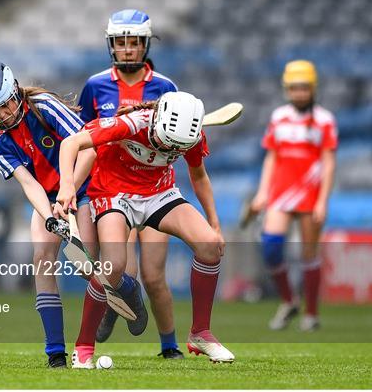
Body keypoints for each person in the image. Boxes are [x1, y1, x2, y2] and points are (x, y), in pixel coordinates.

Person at [56, 91, 235, 367]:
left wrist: (215, 223)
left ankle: (200, 333)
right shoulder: (131, 124)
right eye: (166, 143)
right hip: (115, 192)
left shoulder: (193, 135)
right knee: (113, 266)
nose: (169, 150)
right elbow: (71, 143)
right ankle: (83, 347)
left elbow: (198, 175)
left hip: (159, 193)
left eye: (175, 148)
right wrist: (67, 185)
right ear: (157, 123)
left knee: (210, 245)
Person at [0, 61, 98, 368]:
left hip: (85, 186)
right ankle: (56, 353)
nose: (2, 116)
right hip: (49, 196)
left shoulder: (44, 107)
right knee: (42, 260)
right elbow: (28, 183)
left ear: (15, 91)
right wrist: (49, 216)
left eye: (4, 106)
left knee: (90, 270)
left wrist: (69, 189)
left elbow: (89, 149)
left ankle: (122, 294)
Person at [78, 8, 182, 359]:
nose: (127, 49)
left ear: (145, 44)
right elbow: (86, 141)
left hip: (153, 190)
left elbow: (176, 138)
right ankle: (111, 307)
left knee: (153, 277)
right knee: (123, 271)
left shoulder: (165, 87)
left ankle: (169, 346)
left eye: (133, 43)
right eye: (120, 42)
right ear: (112, 45)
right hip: (113, 190)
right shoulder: (95, 86)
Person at [250, 60, 337, 331]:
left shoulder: (324, 120)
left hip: (310, 194)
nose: (300, 93)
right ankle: (289, 301)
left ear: (313, 88)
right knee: (271, 247)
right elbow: (271, 157)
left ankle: (311, 313)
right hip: (281, 192)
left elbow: (329, 162)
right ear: (287, 89)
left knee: (308, 254)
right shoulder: (278, 117)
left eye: (304, 88)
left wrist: (323, 200)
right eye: (294, 88)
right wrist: (262, 192)